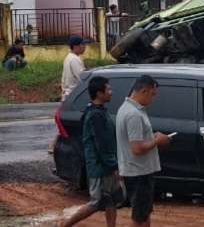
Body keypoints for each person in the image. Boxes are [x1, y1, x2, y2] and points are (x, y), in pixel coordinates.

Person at [59, 76, 122, 227]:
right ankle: (65, 224)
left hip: (104, 165)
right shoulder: (95, 115)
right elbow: (101, 145)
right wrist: (114, 165)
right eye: (108, 89)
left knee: (111, 199)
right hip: (100, 167)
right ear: (99, 93)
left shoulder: (97, 111)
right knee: (96, 202)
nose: (111, 92)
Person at [116, 75, 171, 227]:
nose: (153, 98)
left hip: (139, 171)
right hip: (138, 172)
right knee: (139, 217)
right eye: (152, 94)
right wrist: (157, 140)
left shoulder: (130, 109)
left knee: (144, 214)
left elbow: (135, 140)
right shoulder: (133, 114)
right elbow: (137, 148)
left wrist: (152, 136)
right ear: (144, 90)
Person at [62, 35, 88, 100]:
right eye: (83, 44)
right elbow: (82, 78)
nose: (85, 46)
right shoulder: (74, 59)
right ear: (75, 47)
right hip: (74, 95)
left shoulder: (68, 57)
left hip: (68, 94)